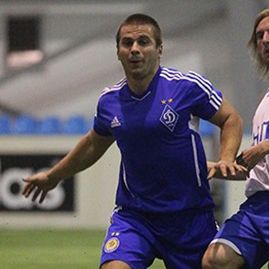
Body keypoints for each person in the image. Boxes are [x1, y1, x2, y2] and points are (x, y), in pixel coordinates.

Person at [22, 14, 243, 269]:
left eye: (143, 41)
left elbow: (230, 117)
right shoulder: (109, 101)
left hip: (190, 217)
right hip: (135, 217)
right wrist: (54, 176)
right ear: (118, 52)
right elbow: (94, 143)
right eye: (127, 43)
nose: (135, 49)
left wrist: (227, 157)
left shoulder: (186, 86)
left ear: (159, 49)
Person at [202, 8, 269, 269]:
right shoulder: (264, 103)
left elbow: (261, 152)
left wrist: (264, 146)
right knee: (215, 261)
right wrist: (214, 168)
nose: (265, 40)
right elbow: (254, 168)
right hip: (259, 204)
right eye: (259, 35)